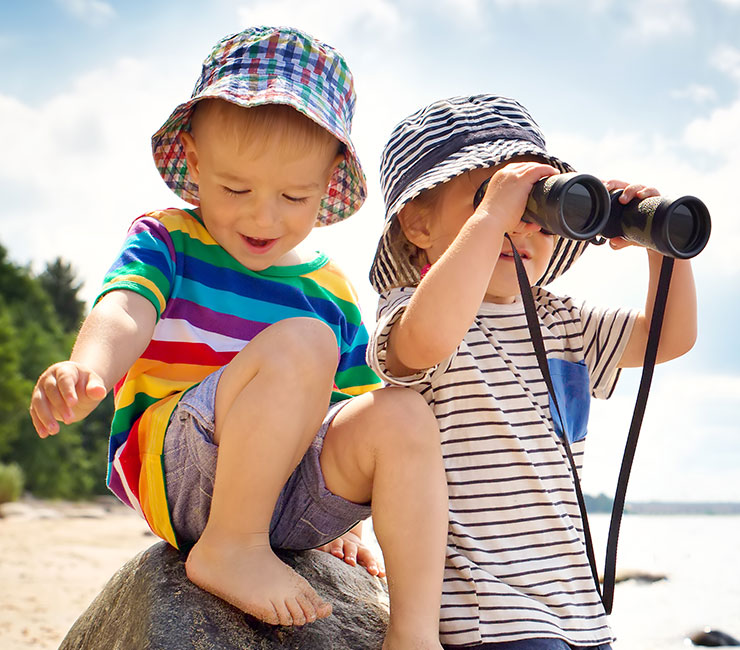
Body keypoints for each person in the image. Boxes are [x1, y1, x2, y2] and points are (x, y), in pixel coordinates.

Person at [28, 27, 448, 649]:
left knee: (404, 412)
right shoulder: (170, 237)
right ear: (194, 163)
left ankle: (413, 632)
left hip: (290, 494)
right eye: (236, 189)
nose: (262, 216)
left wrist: (349, 522)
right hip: (186, 467)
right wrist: (89, 366)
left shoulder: (328, 285)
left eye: (293, 195)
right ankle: (231, 545)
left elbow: (354, 411)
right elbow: (125, 308)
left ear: (329, 183)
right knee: (304, 342)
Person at [366, 95, 697, 649]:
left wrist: (662, 245)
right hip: (486, 610)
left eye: (539, 211)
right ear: (418, 222)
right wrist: (492, 215)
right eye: (489, 199)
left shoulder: (560, 319)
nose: (520, 225)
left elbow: (668, 337)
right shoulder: (412, 307)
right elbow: (423, 343)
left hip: (577, 611)